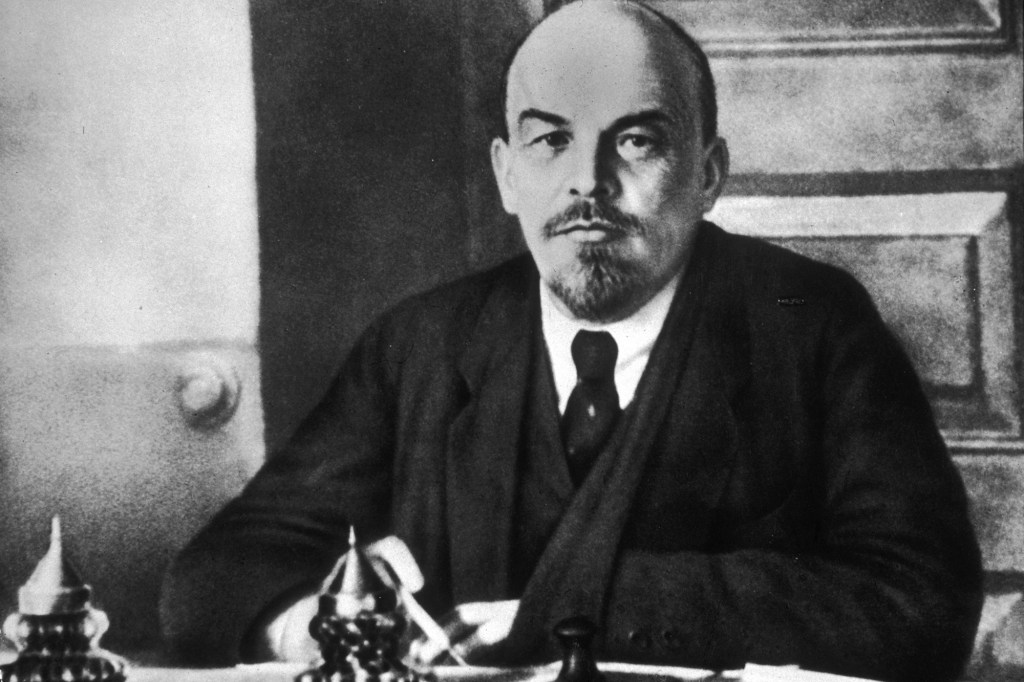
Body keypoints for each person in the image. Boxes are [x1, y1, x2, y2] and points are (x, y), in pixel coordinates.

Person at [161, 2, 983, 680]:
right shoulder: (421, 345)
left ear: (708, 175)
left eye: (636, 140)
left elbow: (922, 606)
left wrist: (583, 605)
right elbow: (210, 580)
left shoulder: (810, 324)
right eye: (550, 139)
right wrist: (315, 621)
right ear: (506, 173)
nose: (587, 180)